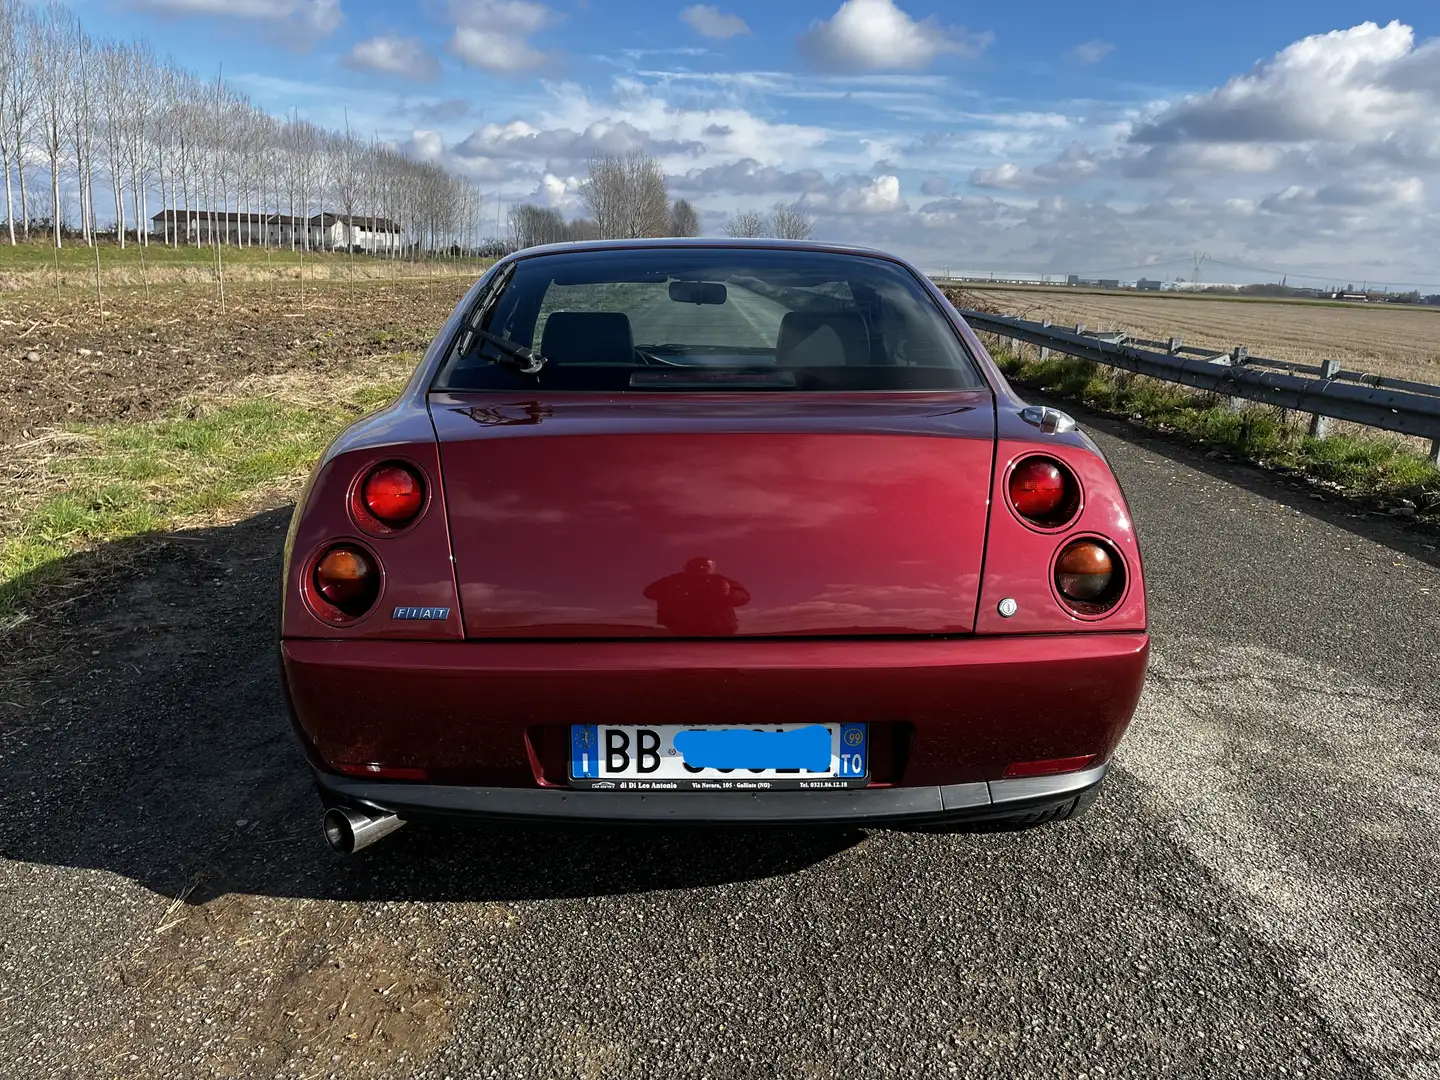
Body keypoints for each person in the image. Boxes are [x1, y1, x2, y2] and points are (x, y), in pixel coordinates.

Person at [643, 556, 750, 636]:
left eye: (706, 566)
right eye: (696, 565)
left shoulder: (720, 580)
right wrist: (675, 590)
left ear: (712, 568)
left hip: (719, 629)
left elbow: (744, 597)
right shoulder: (674, 580)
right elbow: (649, 591)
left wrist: (729, 593)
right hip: (681, 630)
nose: (701, 567)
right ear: (687, 567)